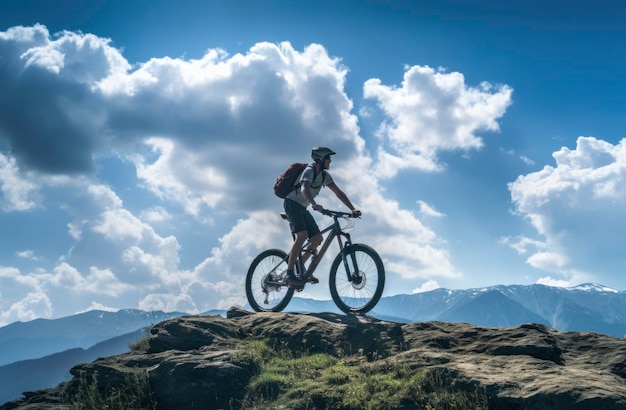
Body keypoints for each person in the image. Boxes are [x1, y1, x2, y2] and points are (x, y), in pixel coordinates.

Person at [283, 146, 360, 288]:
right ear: (321, 159)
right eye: (328, 158)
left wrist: (353, 209)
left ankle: (300, 267)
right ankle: (289, 273)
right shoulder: (309, 171)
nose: (330, 161)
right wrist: (314, 204)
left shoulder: (324, 176)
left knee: (317, 238)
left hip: (302, 207)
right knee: (302, 235)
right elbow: (304, 188)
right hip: (292, 203)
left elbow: (338, 193)